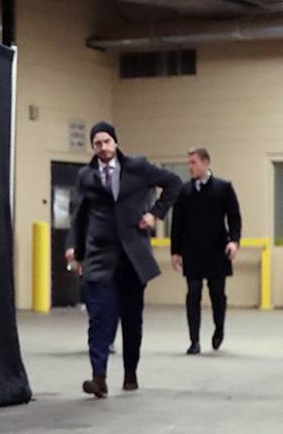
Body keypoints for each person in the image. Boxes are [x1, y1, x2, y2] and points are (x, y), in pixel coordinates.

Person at [68, 121, 181, 398]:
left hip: (132, 255)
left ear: (115, 142)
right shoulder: (86, 176)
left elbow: (174, 183)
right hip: (99, 255)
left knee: (132, 319)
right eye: (97, 143)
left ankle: (130, 372)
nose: (103, 148)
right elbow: (80, 217)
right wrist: (77, 251)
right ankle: (99, 377)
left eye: (106, 141)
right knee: (99, 317)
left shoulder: (138, 167)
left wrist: (155, 213)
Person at [170, 147, 241, 355]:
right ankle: (194, 340)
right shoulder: (184, 191)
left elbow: (235, 217)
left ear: (206, 162)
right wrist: (176, 252)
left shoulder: (223, 188)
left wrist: (234, 242)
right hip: (192, 252)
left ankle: (219, 329)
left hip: (217, 251)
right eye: (189, 163)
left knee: (217, 293)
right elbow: (177, 223)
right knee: (193, 294)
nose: (190, 167)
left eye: (194, 162)